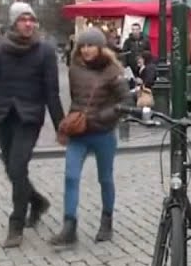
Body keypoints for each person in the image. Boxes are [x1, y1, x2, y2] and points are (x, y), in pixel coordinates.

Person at [0, 3, 65, 248]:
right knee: (13, 170)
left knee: (17, 165)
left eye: (31, 20)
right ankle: (37, 201)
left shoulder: (45, 51)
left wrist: (61, 128)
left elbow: (52, 93)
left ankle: (16, 224)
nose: (28, 24)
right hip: (4, 116)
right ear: (14, 23)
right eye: (23, 20)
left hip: (30, 117)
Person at [49, 27, 130, 246]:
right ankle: (69, 226)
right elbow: (76, 99)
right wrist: (70, 122)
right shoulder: (74, 69)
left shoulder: (113, 71)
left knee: (105, 178)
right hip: (80, 133)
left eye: (91, 45)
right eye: (83, 46)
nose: (86, 50)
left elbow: (125, 102)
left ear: (100, 47)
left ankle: (106, 221)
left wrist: (104, 116)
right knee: (71, 176)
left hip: (103, 133)